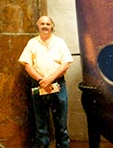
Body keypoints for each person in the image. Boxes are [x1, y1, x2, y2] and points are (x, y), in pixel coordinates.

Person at [18, 15, 73, 148]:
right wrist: (40, 79)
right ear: (38, 27)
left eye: (48, 24)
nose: (45, 26)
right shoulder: (32, 43)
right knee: (41, 125)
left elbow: (66, 63)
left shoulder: (60, 42)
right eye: (42, 24)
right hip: (39, 85)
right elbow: (27, 64)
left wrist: (51, 78)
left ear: (52, 27)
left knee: (61, 125)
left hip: (57, 85)